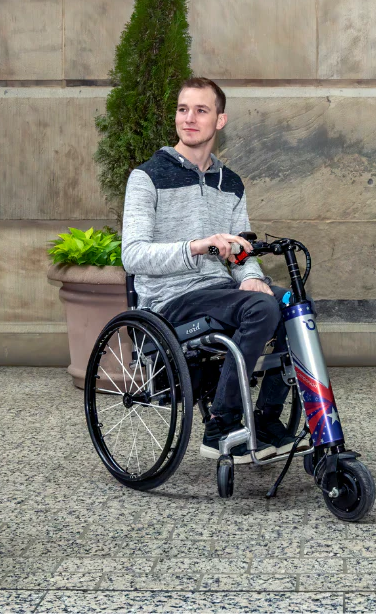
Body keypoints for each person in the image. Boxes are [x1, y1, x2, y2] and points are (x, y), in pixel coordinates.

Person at [121, 77, 309, 463]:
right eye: (182, 109)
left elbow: (237, 250)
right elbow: (133, 255)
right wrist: (196, 246)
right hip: (170, 300)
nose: (189, 118)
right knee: (261, 309)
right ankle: (221, 424)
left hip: (220, 293)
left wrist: (251, 274)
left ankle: (268, 418)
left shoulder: (232, 184)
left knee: (294, 304)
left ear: (220, 121)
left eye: (201, 110)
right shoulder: (147, 177)